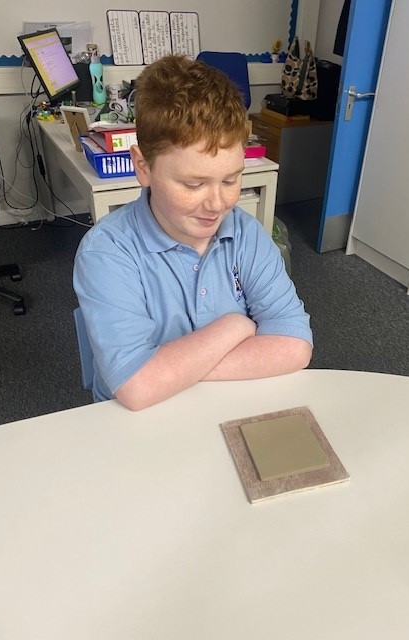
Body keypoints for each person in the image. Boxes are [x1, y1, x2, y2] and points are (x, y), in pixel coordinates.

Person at [73, 55, 313, 411]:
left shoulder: (245, 233)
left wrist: (173, 371)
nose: (217, 204)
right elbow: (137, 386)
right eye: (193, 184)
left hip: (222, 405)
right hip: (144, 421)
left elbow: (295, 344)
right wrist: (234, 326)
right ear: (143, 166)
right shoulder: (107, 252)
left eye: (231, 179)